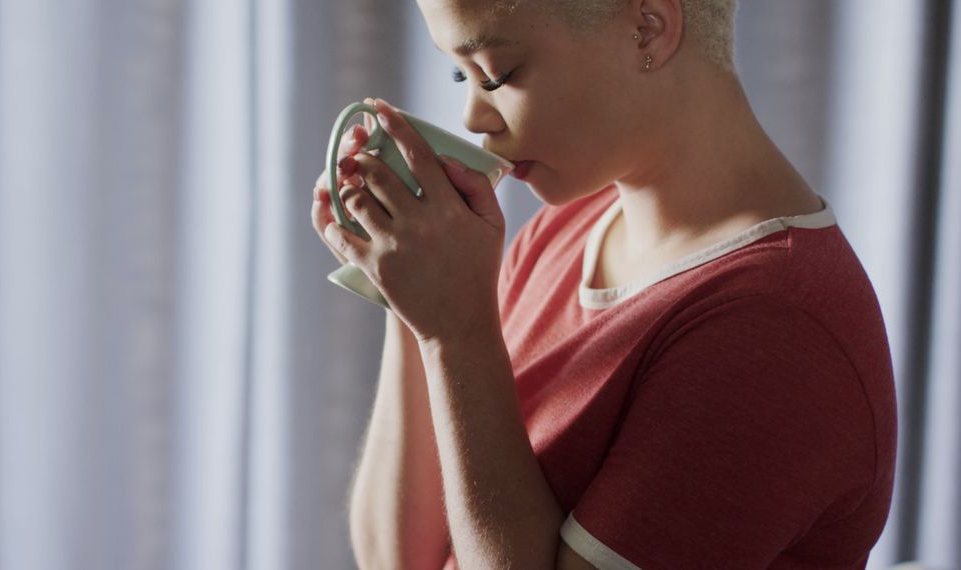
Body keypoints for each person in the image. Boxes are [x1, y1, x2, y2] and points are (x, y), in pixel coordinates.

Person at [311, 0, 897, 568]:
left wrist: (455, 331)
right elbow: (398, 557)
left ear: (647, 29)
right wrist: (412, 296)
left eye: (497, 73)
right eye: (458, 71)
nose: (473, 117)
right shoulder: (567, 230)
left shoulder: (773, 330)